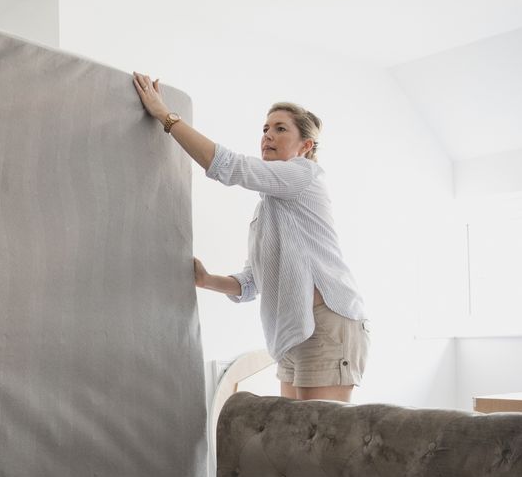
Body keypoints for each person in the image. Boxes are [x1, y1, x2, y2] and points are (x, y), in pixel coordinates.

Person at [132, 72, 369, 402]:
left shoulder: (305, 175)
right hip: (292, 332)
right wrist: (205, 279)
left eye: (280, 129)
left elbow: (229, 166)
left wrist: (165, 116)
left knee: (322, 442)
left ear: (306, 145)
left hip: (327, 325)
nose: (268, 136)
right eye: (265, 129)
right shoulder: (266, 211)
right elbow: (250, 283)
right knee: (294, 437)